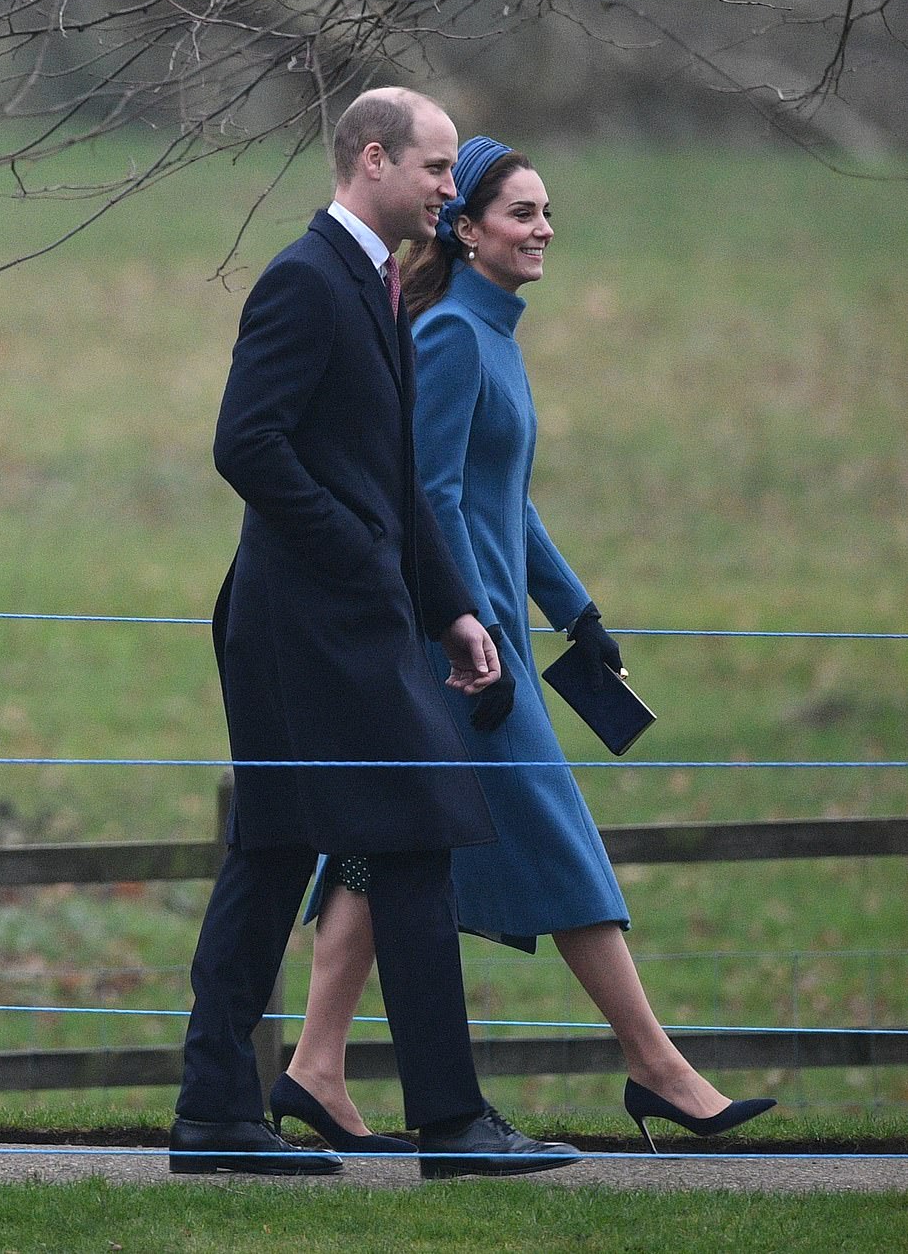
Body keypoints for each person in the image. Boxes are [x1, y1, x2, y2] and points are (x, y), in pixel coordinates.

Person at [276, 136, 776, 1156]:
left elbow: (507, 498)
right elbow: (433, 502)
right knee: (554, 842)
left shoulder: (487, 334)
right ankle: (657, 1067)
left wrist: (574, 613)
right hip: (464, 660)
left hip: (478, 643)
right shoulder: (456, 335)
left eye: (547, 214)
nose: (540, 230)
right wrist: (483, 635)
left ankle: (313, 1070)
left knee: (378, 846)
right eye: (518, 214)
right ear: (464, 230)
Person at [169, 93, 582, 1180]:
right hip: (299, 626)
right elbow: (244, 446)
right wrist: (361, 560)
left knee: (287, 852)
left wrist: (450, 607)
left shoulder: (381, 284)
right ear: (372, 160)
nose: (451, 190)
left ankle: (221, 1113)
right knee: (388, 834)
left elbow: (395, 476)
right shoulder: (306, 282)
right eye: (438, 169)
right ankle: (444, 1123)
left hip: (350, 623)